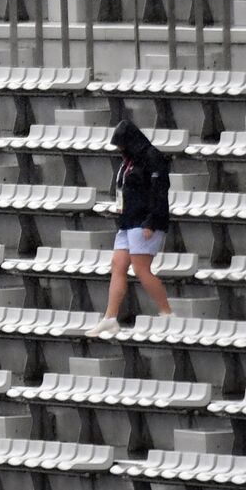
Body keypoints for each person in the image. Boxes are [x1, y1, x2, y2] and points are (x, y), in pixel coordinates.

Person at [87, 119, 174, 336]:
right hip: (128, 220)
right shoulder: (128, 161)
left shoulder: (152, 158)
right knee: (117, 265)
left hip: (145, 221)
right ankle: (110, 317)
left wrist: (152, 221)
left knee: (141, 269)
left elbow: (159, 192)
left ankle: (167, 312)